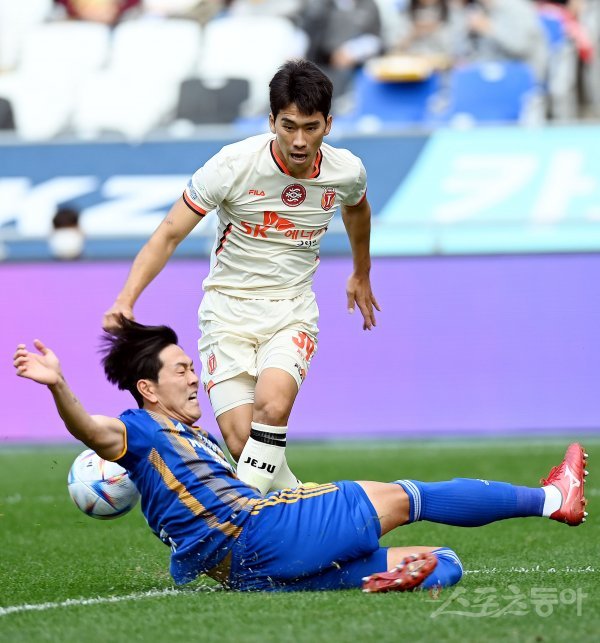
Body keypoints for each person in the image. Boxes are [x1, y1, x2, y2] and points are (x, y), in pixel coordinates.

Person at [13, 318, 589, 593]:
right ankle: (551, 498)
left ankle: (383, 579)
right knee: (410, 496)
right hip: (262, 532)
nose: (193, 378)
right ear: (148, 388)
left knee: (445, 561)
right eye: (182, 370)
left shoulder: (193, 443)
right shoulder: (139, 431)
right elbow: (91, 429)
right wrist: (58, 385)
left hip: (247, 574)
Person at [102, 59, 381, 495]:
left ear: (328, 124)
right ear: (271, 121)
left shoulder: (346, 170)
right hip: (226, 313)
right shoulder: (232, 166)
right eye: (288, 126)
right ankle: (306, 505)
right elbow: (169, 234)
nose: (299, 140)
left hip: (290, 310)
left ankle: (234, 521)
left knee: (272, 406)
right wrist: (126, 298)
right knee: (240, 441)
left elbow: (357, 210)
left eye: (311, 127)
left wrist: (361, 271)